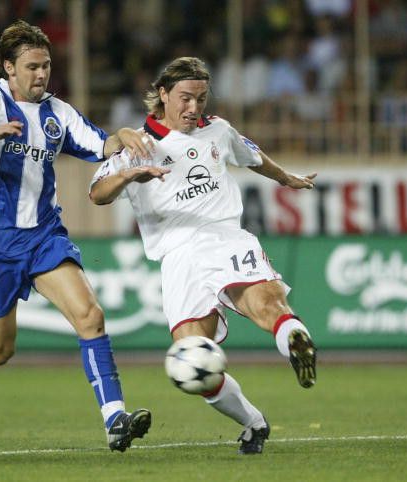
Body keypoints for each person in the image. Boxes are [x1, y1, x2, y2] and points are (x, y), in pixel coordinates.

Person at [0, 20, 152, 453]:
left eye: (46, 66)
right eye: (32, 67)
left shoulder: (58, 113)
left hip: (44, 237)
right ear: (9, 67)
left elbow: (99, 145)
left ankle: (115, 420)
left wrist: (122, 137)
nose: (41, 74)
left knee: (90, 316)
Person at [89, 57, 318, 455]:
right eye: (185, 98)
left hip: (224, 236)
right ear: (163, 94)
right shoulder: (138, 144)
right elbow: (97, 193)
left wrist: (287, 178)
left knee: (267, 303)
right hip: (177, 255)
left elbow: (253, 156)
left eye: (200, 98)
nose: (193, 107)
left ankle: (293, 337)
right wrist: (129, 175)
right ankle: (254, 423)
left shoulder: (218, 130)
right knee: (192, 361)